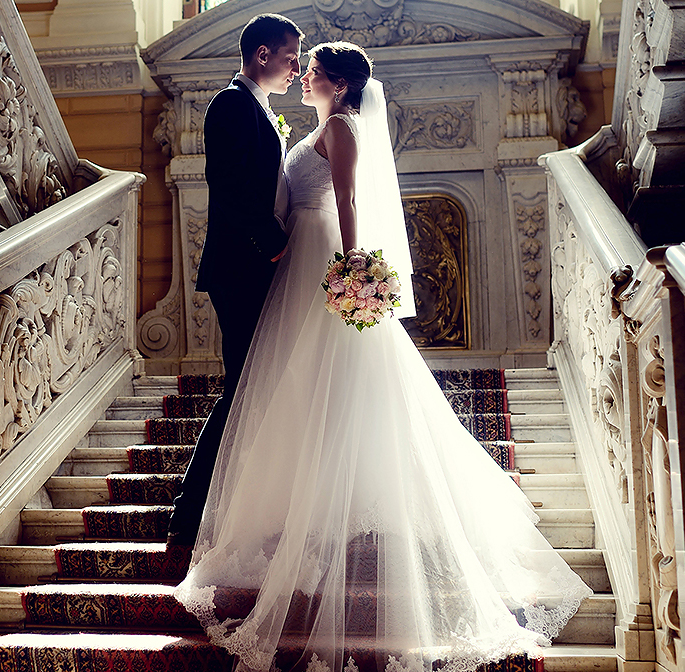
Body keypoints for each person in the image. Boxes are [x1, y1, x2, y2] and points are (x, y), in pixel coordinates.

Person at [174, 42, 593, 672]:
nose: (303, 75)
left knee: (335, 374)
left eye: (312, 70)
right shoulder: (323, 123)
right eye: (301, 66)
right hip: (300, 263)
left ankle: (336, 501)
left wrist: (352, 268)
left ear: (338, 85)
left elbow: (348, 202)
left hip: (326, 257)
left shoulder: (342, 127)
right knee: (304, 379)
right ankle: (302, 498)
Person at [167, 14, 303, 546]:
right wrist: (271, 244)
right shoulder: (230, 104)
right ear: (263, 54)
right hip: (242, 266)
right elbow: (227, 188)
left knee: (248, 387)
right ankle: (189, 508)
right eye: (291, 56)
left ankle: (221, 504)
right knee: (241, 388)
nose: (296, 67)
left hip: (253, 266)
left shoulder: (262, 107)